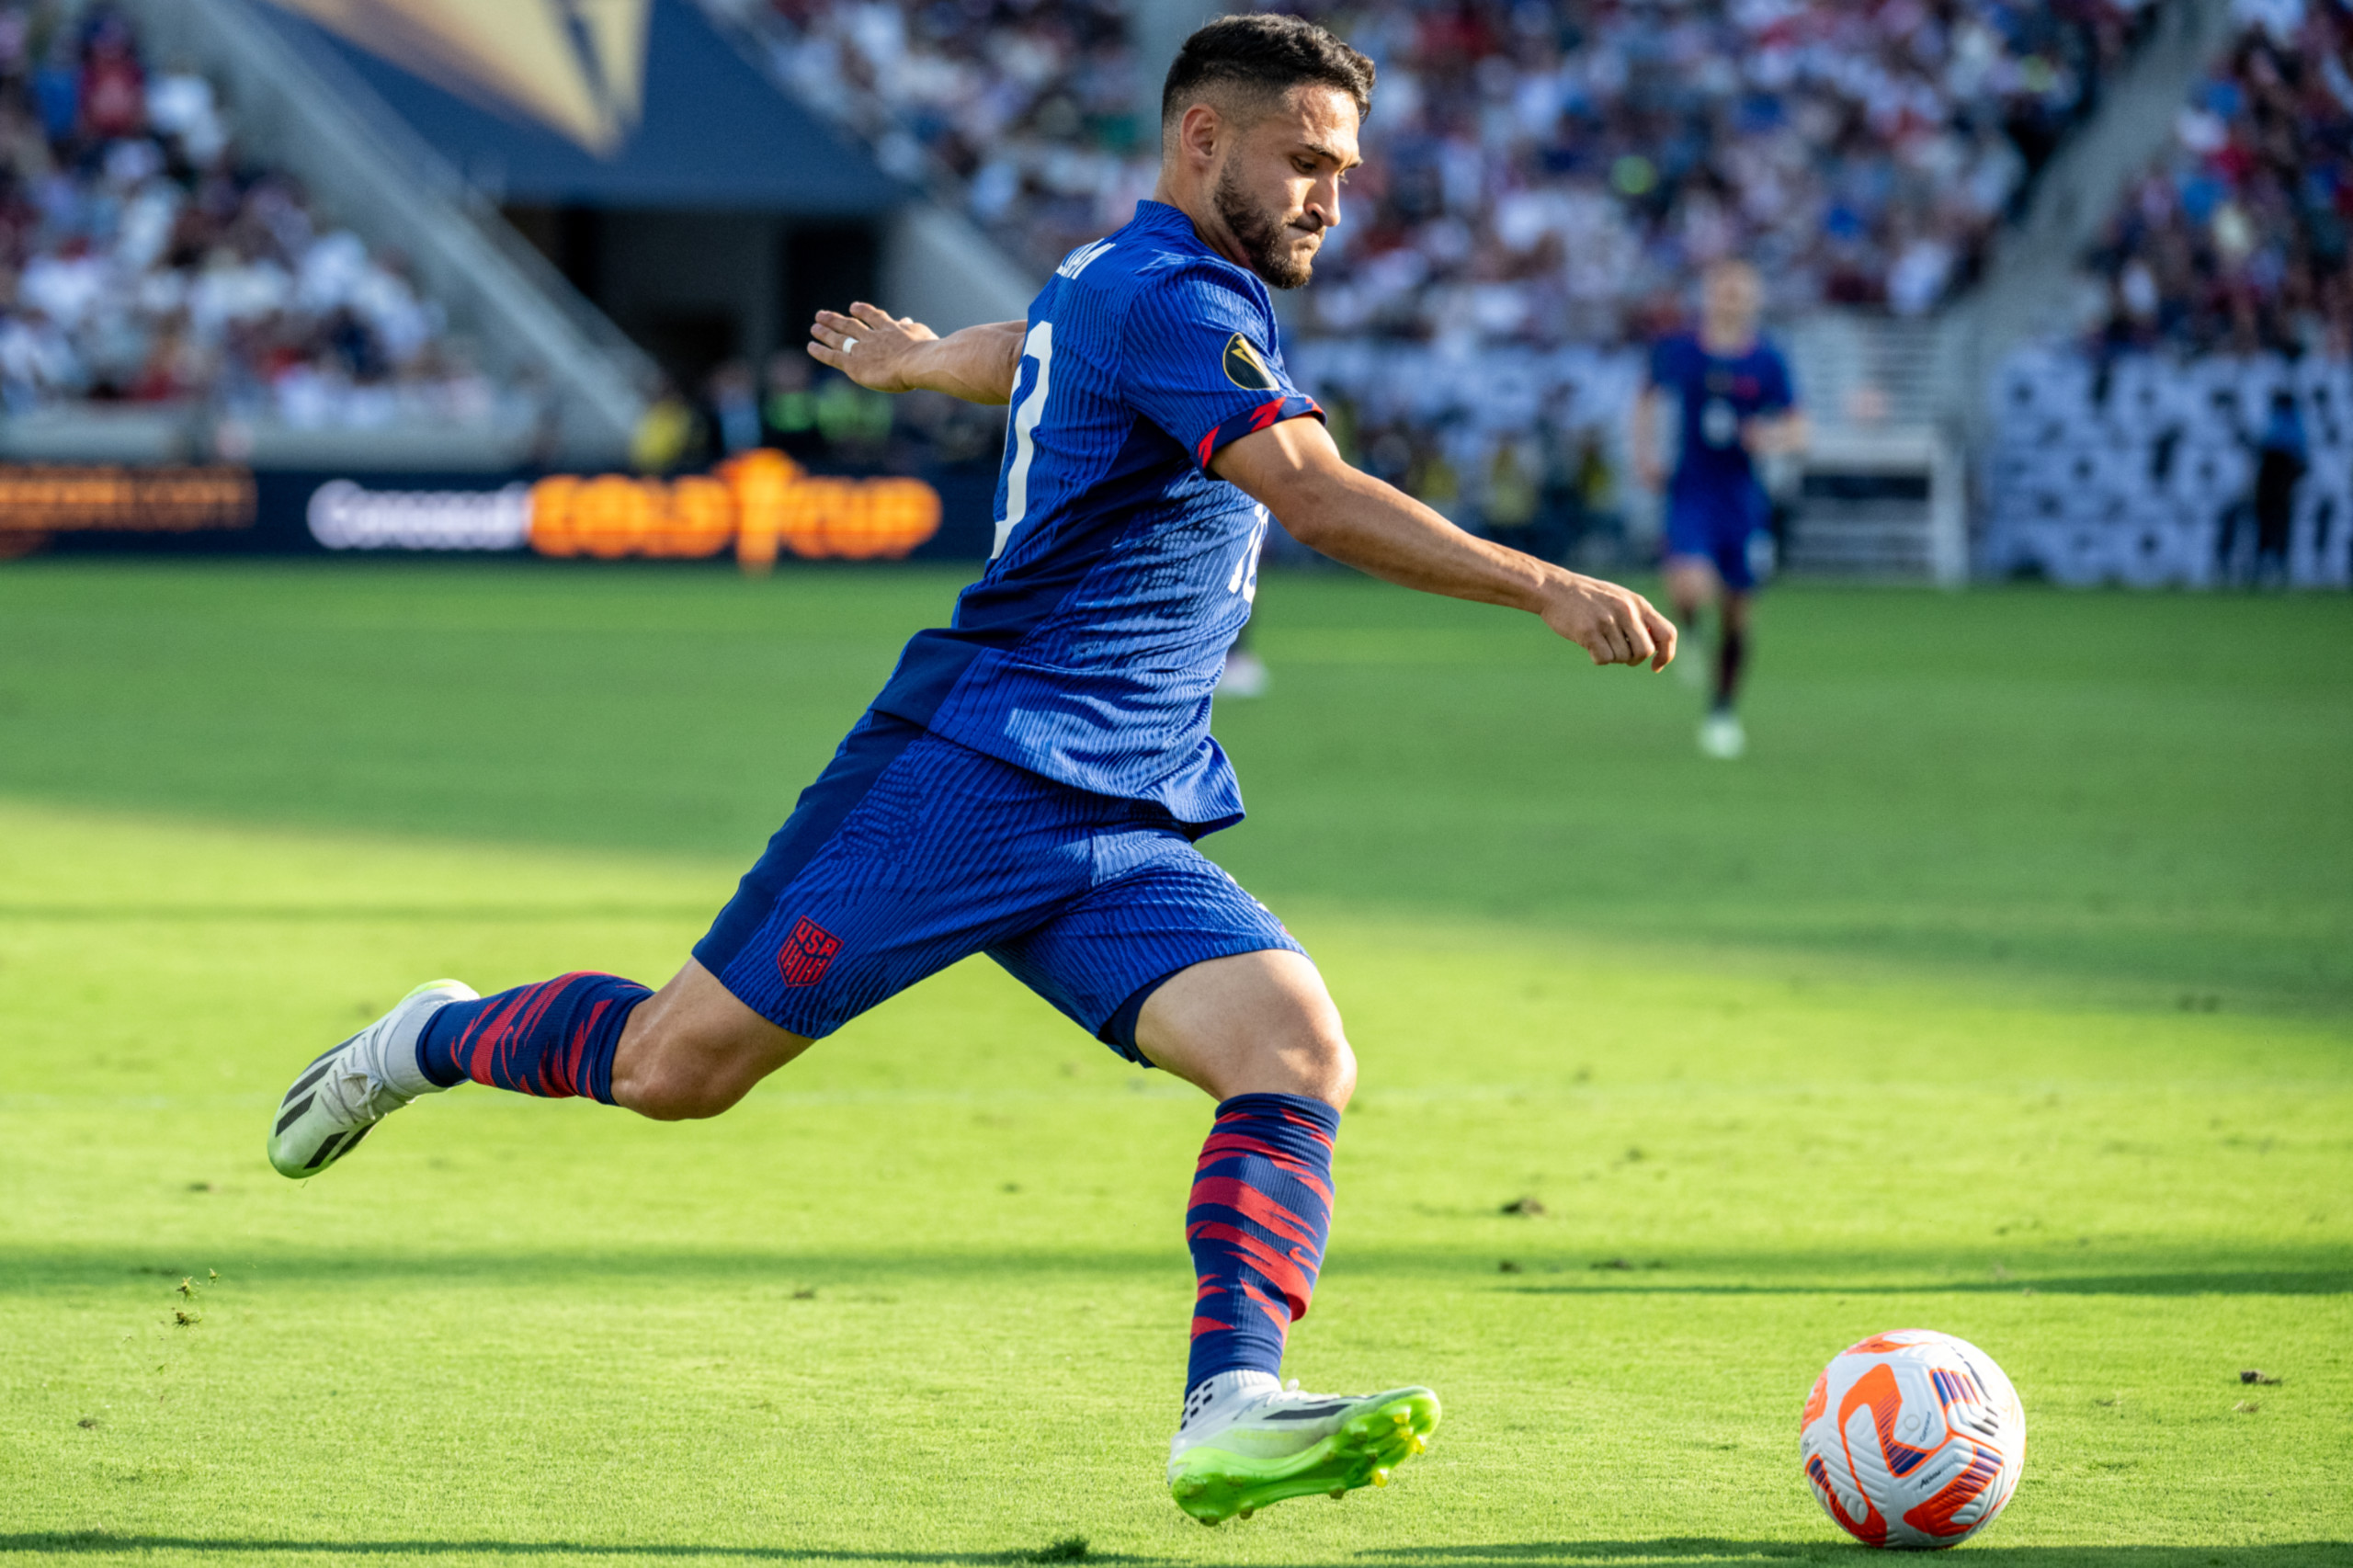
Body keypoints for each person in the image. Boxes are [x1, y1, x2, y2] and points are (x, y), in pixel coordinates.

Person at [266, 12, 1674, 1527]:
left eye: (1345, 165)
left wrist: (931, 360)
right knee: (674, 1071)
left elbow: (1044, 350)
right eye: (1307, 158)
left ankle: (1232, 1403)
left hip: (1122, 808)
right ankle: (426, 1039)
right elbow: (1313, 497)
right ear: (1203, 140)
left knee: (1291, 1047)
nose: (1335, 193)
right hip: (971, 773)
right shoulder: (1169, 292)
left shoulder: (1126, 284)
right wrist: (1543, 585)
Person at [1631, 259, 1805, 759]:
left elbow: (1799, 428)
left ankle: (1723, 708)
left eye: (1739, 292)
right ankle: (1688, 627)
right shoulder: (1682, 352)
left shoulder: (1768, 361)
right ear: (1708, 296)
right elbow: (1645, 397)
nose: (1730, 300)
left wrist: (1769, 436)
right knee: (1688, 583)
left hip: (1742, 498)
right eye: (1722, 291)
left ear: (1754, 300)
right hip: (1691, 490)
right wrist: (1645, 455)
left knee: (1739, 614)